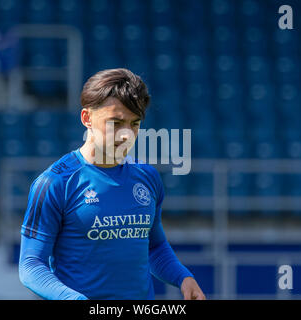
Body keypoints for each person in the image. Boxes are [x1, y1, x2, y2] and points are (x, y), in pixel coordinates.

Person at [19, 68, 206, 300]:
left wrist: (183, 277)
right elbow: (31, 265)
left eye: (134, 124)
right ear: (87, 118)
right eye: (116, 123)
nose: (127, 134)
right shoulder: (54, 183)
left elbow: (154, 246)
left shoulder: (147, 177)